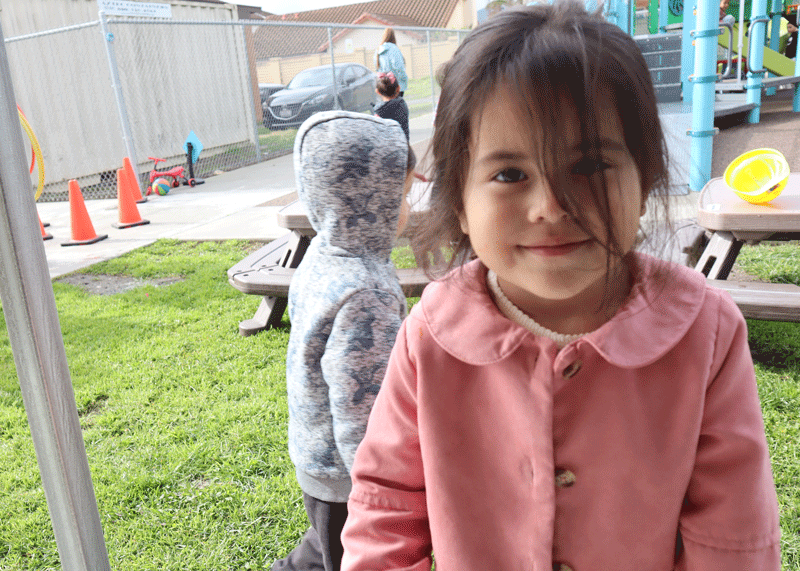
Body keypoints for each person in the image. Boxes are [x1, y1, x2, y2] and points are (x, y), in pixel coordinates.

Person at [340, 3, 781, 571]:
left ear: (645, 180)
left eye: (591, 164)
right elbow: (386, 512)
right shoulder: (428, 336)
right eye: (509, 174)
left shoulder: (706, 333)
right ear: (459, 201)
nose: (550, 206)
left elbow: (733, 533)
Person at [271, 110, 415, 571]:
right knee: (347, 555)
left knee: (322, 544)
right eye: (403, 196)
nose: (407, 208)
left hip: (315, 453)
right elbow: (362, 408)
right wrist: (378, 490)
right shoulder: (365, 292)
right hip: (347, 474)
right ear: (372, 199)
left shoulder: (322, 254)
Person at [373, 71, 409, 140]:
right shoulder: (402, 104)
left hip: (388, 148)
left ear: (378, 92)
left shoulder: (379, 112)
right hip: (404, 146)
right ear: (398, 88)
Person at [375, 27, 408, 97]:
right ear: (393, 37)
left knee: (388, 106)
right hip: (396, 85)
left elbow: (377, 67)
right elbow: (399, 66)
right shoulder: (394, 49)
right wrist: (404, 79)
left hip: (384, 86)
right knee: (398, 105)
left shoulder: (378, 50)